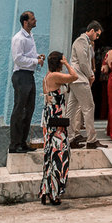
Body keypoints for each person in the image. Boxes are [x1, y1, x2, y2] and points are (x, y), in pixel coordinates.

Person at [40, 51, 79, 205]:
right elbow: (74, 76)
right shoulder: (54, 76)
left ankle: (46, 190)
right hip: (56, 121)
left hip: (52, 119)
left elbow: (47, 95)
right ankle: (54, 193)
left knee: (50, 156)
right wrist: (67, 64)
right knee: (59, 156)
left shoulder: (47, 77)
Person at [9, 10, 44, 153]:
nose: (35, 20)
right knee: (19, 110)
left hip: (29, 75)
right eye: (32, 19)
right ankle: (14, 144)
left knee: (28, 109)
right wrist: (36, 60)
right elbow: (18, 59)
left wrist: (37, 56)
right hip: (21, 76)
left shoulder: (30, 36)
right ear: (26, 22)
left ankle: (22, 142)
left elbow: (27, 55)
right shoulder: (19, 38)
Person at [67, 20, 102, 148]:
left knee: (71, 109)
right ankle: (91, 140)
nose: (97, 38)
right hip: (80, 78)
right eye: (97, 35)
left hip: (76, 79)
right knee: (89, 107)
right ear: (92, 30)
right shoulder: (81, 41)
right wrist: (90, 75)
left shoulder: (85, 42)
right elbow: (83, 62)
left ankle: (70, 138)